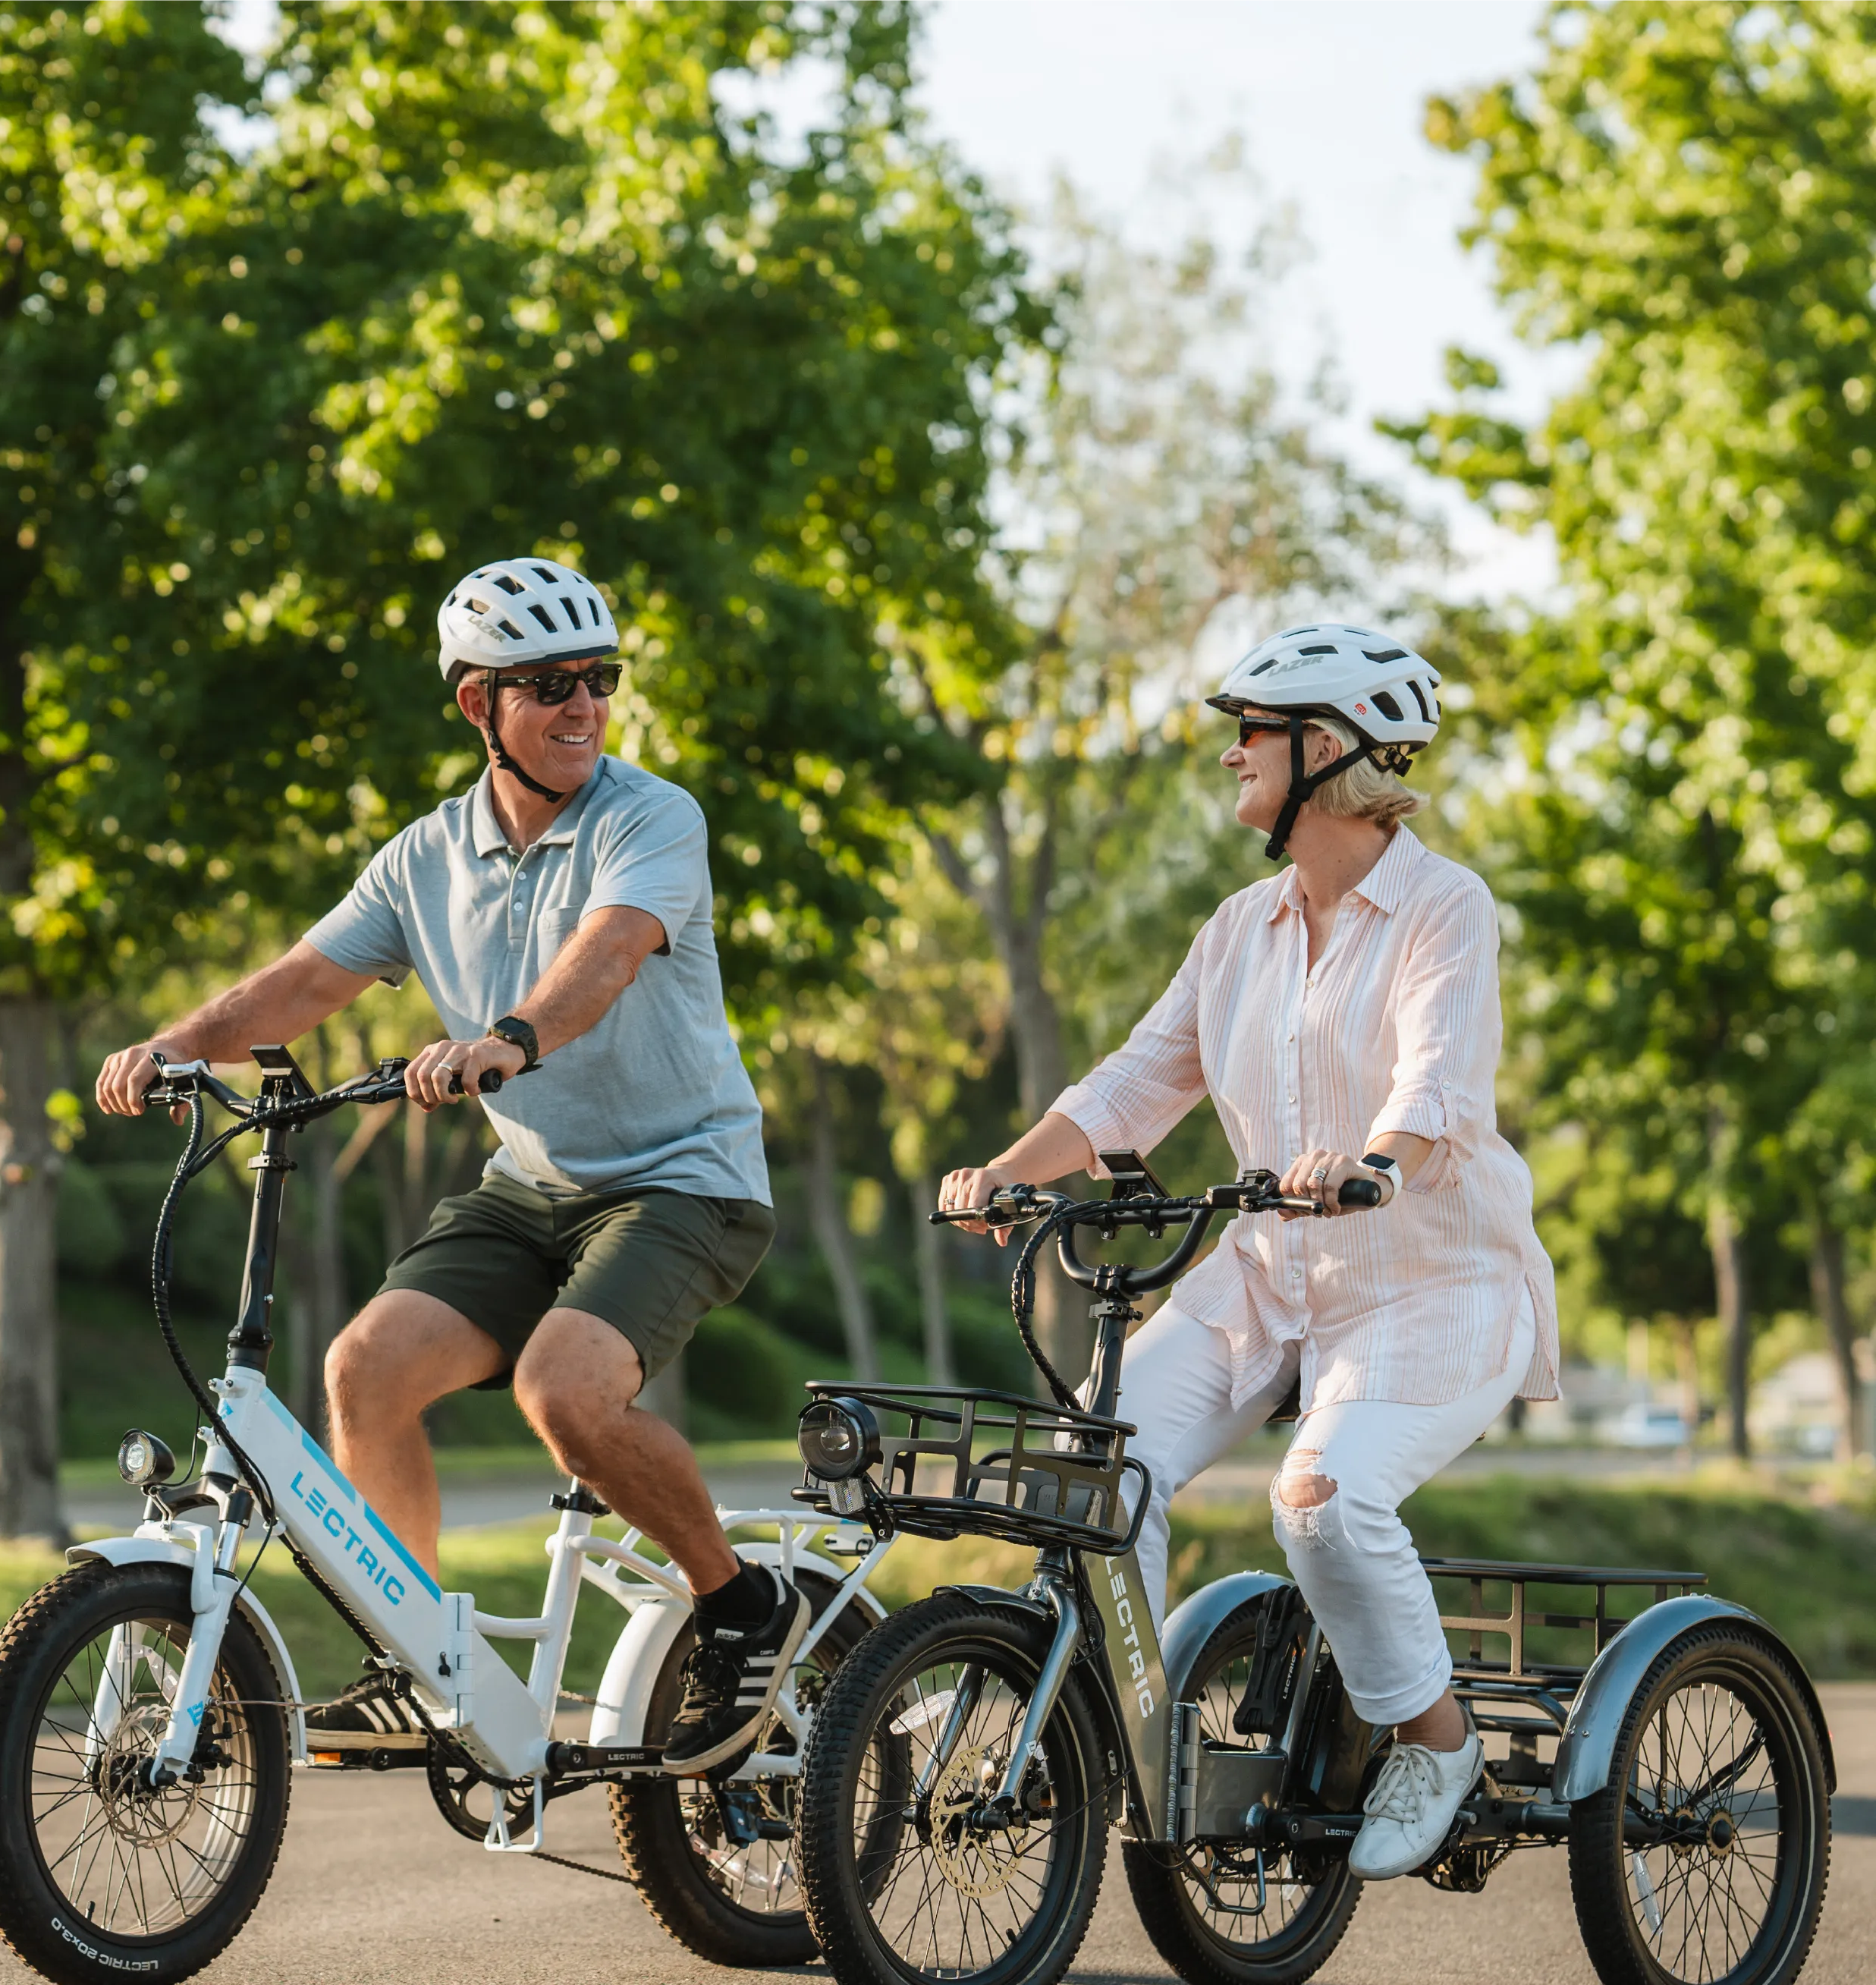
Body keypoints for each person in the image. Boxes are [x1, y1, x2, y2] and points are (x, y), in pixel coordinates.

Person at [96, 557, 806, 1776]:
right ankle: (415, 1655)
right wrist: (172, 1047)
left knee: (564, 1394)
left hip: (684, 1182)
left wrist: (509, 1039)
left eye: (598, 679)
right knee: (362, 1370)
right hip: (532, 1186)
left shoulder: (649, 817)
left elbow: (611, 951)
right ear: (478, 705)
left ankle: (742, 1607)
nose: (583, 705)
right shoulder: (424, 857)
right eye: (547, 686)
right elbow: (298, 987)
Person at [938, 621, 1560, 1881]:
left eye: (1249, 736)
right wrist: (1008, 1173)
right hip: (1269, 1277)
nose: (1228, 758)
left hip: (1429, 1287)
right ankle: (1105, 1731)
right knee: (1089, 1475)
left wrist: (1374, 1158)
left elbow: (1440, 1079)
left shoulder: (1443, 907)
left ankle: (1434, 1743)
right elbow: (1137, 1080)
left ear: (1322, 752)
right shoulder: (1239, 927)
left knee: (1320, 1507)